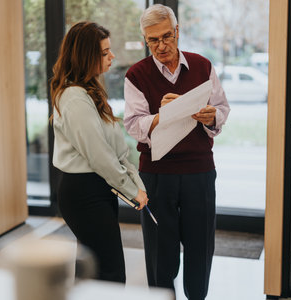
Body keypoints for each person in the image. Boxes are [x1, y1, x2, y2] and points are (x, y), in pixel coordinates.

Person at [124, 4, 230, 299]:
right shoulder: (136, 74)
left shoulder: (202, 66)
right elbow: (132, 125)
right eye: (153, 40)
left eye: (166, 37)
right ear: (145, 39)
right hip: (157, 174)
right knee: (160, 250)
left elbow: (222, 108)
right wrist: (161, 115)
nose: (161, 45)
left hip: (199, 170)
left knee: (200, 245)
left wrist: (212, 117)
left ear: (178, 32)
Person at [50, 21, 149, 283]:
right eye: (105, 52)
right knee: (110, 272)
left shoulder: (87, 91)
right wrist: (131, 190)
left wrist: (134, 181)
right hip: (84, 192)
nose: (112, 56)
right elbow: (100, 156)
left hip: (93, 189)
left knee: (93, 269)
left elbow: (115, 149)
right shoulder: (74, 98)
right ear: (86, 56)